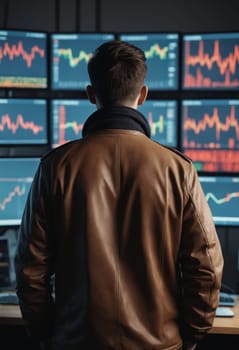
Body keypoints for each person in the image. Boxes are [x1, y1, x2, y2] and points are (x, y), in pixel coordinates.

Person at [14, 40, 224, 350]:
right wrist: (191, 335)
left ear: (90, 94)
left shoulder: (56, 167)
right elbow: (206, 268)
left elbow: (30, 271)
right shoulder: (178, 169)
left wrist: (45, 334)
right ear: (143, 95)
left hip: (75, 342)